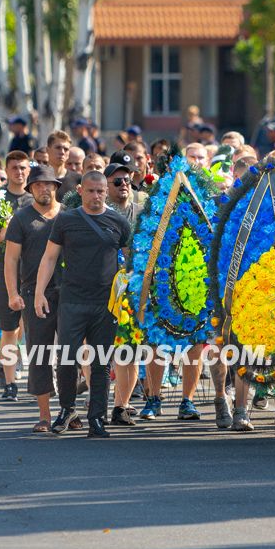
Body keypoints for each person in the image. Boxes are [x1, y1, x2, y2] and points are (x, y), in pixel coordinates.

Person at [34, 171, 131, 438]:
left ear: (106, 191)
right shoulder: (66, 220)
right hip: (72, 300)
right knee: (67, 359)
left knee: (101, 363)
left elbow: (130, 260)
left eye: (101, 191)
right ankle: (67, 410)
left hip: (105, 304)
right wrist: (39, 293)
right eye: (91, 191)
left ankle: (97, 418)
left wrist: (132, 295)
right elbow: (49, 257)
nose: (96, 196)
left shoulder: (118, 222)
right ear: (80, 191)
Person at [4, 164, 65, 433]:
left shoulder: (69, 214)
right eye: (38, 184)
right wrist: (13, 293)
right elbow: (11, 259)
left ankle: (68, 410)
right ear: (30, 189)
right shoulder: (21, 218)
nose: (44, 188)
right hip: (33, 293)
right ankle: (44, 415)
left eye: (49, 184)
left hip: (68, 292)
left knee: (70, 355)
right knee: (40, 355)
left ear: (55, 187)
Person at [104, 157, 146, 427]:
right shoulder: (101, 212)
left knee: (128, 349)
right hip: (102, 288)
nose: (123, 185)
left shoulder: (143, 212)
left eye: (127, 181)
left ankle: (121, 405)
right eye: (117, 181)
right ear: (106, 186)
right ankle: (97, 401)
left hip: (133, 289)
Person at [0, 151, 32, 400]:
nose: (19, 172)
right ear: (6, 170)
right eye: (14, 167)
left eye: (23, 168)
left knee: (34, 330)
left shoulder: (34, 199)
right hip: (4, 272)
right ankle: (9, 383)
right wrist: (4, 232)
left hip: (33, 273)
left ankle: (40, 380)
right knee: (9, 329)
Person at [46, 130, 81, 200]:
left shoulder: (78, 179)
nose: (62, 152)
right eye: (58, 147)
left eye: (66, 149)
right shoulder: (37, 178)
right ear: (47, 150)